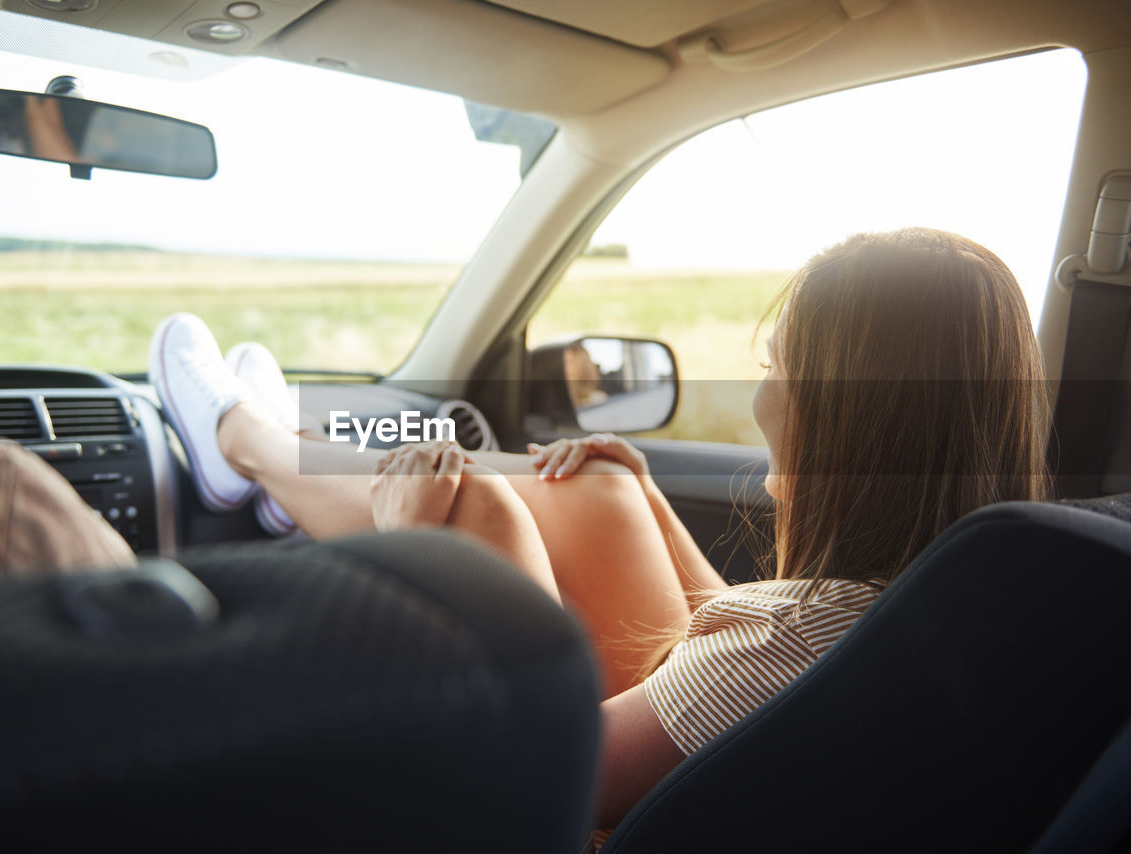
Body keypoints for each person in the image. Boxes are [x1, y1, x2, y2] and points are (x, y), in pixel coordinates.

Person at [148, 226, 1051, 829]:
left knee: (473, 501)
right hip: (717, 792)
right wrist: (649, 498)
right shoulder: (976, 591)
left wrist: (412, 549)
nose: (767, 397)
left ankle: (247, 440)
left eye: (779, 369)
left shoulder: (803, 636)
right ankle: (279, 459)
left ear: (854, 416)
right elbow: (761, 662)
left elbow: (548, 772)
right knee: (602, 496)